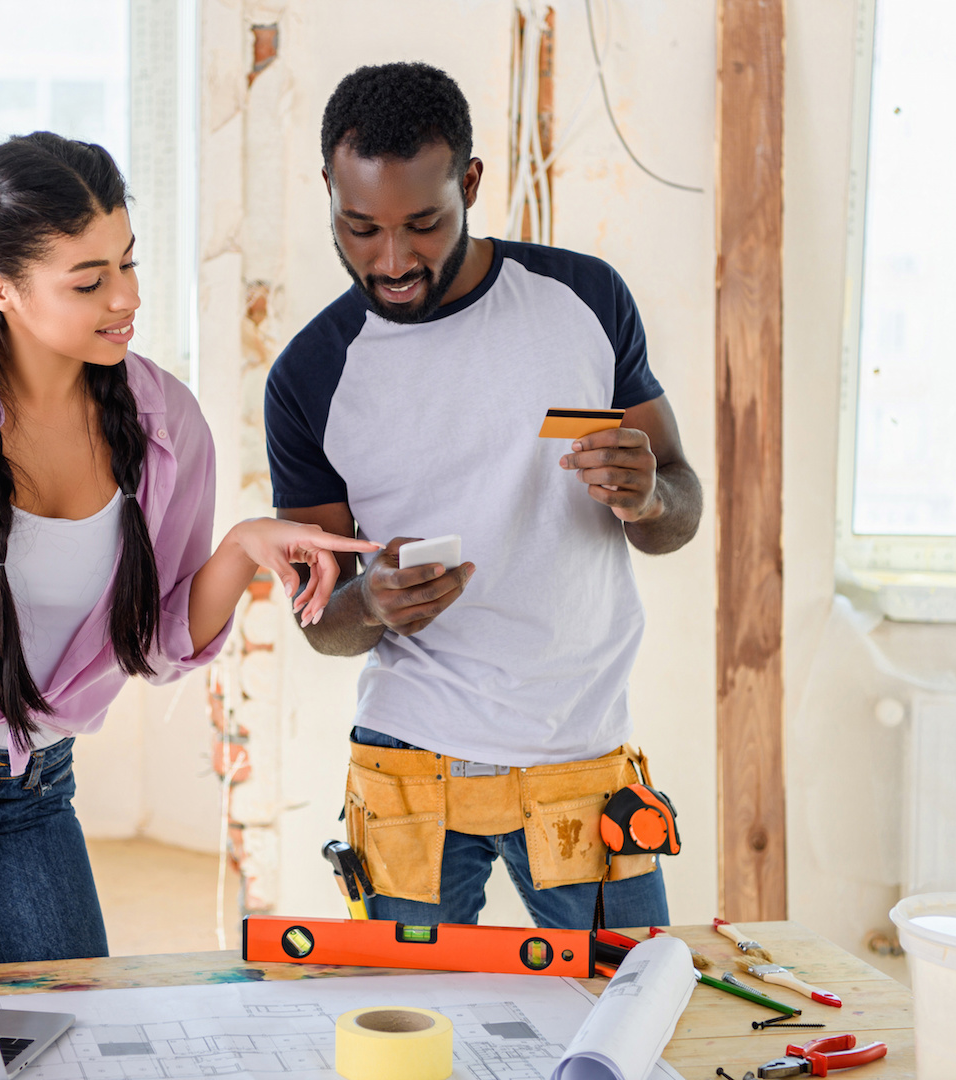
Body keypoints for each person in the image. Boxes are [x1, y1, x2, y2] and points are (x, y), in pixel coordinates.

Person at [0, 132, 373, 965]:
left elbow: (161, 643)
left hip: (30, 788)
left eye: (128, 264)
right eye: (89, 281)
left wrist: (240, 550)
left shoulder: (168, 425)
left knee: (71, 1034)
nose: (125, 297)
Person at [264, 64, 703, 930]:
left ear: (469, 183)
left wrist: (648, 498)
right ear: (328, 193)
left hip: (578, 758)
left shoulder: (585, 299)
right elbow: (322, 622)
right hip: (410, 770)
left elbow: (678, 509)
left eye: (423, 224)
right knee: (413, 1042)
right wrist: (374, 604)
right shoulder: (310, 377)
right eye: (359, 229)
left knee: (632, 1018)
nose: (391, 261)